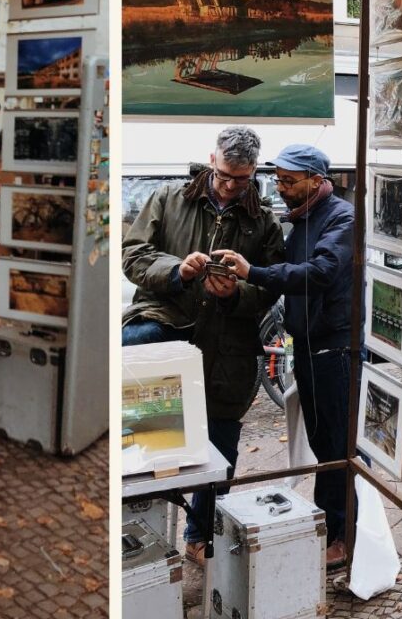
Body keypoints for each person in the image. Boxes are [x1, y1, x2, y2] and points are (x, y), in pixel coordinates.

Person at [121, 126, 285, 565]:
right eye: (225, 175)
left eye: (242, 179)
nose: (231, 187)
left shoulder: (263, 222)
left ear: (253, 172)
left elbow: (269, 288)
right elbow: (133, 255)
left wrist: (236, 293)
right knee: (146, 442)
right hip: (166, 325)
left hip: (228, 348)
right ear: (211, 159)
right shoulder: (169, 199)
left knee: (222, 449)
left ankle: (200, 537)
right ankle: (138, 534)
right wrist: (180, 271)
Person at [214, 144, 356, 570]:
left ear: (316, 179)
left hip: (334, 349)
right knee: (321, 444)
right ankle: (330, 529)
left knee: (337, 447)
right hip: (309, 347)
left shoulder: (342, 218)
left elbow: (321, 272)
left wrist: (252, 272)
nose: (280, 188)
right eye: (277, 180)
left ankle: (345, 537)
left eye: (288, 181)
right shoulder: (302, 219)